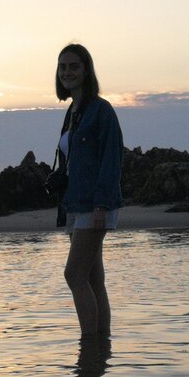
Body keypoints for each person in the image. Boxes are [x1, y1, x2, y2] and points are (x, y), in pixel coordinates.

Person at [54, 44, 124, 336]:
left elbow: (112, 158)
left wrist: (100, 206)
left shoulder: (101, 110)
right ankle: (100, 348)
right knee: (93, 278)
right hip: (75, 204)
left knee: (74, 274)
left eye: (74, 66)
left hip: (94, 205)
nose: (68, 72)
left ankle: (89, 346)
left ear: (86, 70)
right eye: (63, 67)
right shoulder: (73, 111)